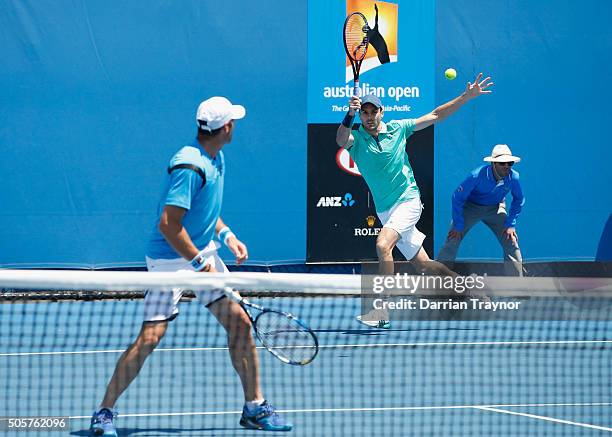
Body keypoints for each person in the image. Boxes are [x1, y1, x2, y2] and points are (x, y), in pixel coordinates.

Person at [90, 97, 292, 436]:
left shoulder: (216, 158)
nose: (235, 126)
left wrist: (226, 235)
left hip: (202, 252)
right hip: (169, 258)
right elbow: (169, 224)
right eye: (234, 122)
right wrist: (199, 262)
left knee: (240, 324)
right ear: (225, 127)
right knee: (151, 336)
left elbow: (203, 210)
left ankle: (255, 407)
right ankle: (104, 413)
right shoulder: (189, 167)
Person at [336, 73, 493, 328]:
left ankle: (381, 308)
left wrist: (466, 96)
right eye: (363, 112)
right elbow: (340, 139)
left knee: (383, 244)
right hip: (386, 209)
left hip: (408, 200)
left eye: (372, 111)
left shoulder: (399, 128)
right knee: (424, 265)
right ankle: (470, 289)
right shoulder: (356, 138)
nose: (368, 115)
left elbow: (435, 116)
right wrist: (348, 116)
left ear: (381, 112)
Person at [438, 144, 525, 276]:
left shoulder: (514, 177)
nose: (507, 166)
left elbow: (519, 199)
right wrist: (458, 224)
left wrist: (510, 224)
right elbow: (457, 197)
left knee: (511, 239)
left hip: (496, 208)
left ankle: (517, 287)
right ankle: (437, 280)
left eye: (510, 163)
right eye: (502, 163)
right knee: (453, 238)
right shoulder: (476, 175)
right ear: (493, 163)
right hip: (470, 207)